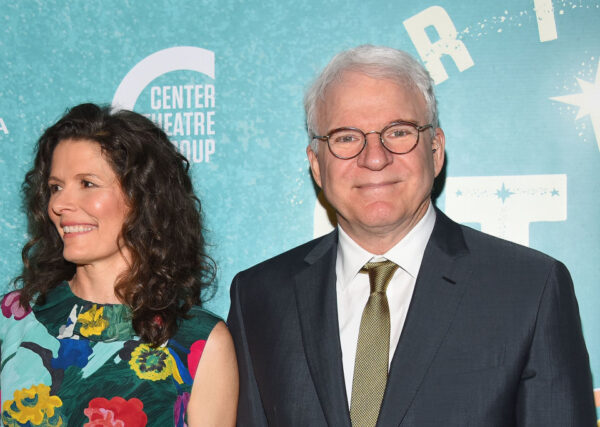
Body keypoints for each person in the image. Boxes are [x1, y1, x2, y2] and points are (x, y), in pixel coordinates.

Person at [227, 45, 595, 426]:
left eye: (398, 131)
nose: (374, 157)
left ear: (435, 151)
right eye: (346, 137)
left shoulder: (528, 289)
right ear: (316, 165)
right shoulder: (259, 297)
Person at [0, 103, 238, 426]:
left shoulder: (200, 341)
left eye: (87, 183)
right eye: (55, 187)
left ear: (142, 198)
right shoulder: (9, 322)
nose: (58, 203)